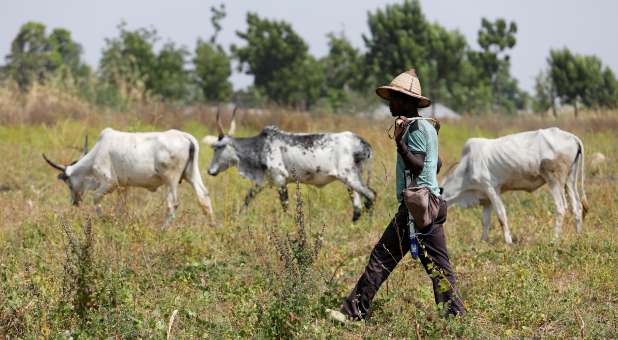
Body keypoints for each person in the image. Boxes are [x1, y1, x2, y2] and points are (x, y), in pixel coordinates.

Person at [328, 69, 465, 323]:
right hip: (428, 205)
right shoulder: (427, 126)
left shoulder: (413, 129)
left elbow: (418, 166)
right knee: (437, 268)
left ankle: (352, 313)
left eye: (394, 98)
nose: (390, 103)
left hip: (418, 209)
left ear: (406, 100)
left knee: (383, 258)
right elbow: (436, 164)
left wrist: (401, 144)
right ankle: (455, 320)